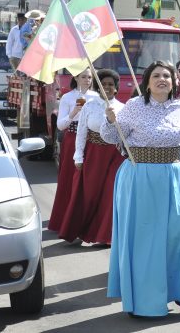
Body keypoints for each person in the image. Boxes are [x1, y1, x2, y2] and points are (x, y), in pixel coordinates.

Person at [100, 60, 180, 317]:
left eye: (167, 76)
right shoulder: (134, 106)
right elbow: (111, 137)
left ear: (174, 82)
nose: (162, 79)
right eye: (156, 75)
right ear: (147, 82)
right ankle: (145, 302)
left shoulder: (179, 108)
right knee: (146, 241)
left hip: (175, 179)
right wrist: (110, 121)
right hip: (140, 180)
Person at [57, 69, 124, 245]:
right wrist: (78, 156)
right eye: (103, 84)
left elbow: (127, 135)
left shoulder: (123, 108)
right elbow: (81, 132)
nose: (107, 87)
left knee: (110, 194)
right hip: (93, 154)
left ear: (116, 88)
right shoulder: (89, 106)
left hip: (116, 156)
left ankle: (104, 236)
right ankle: (80, 230)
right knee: (89, 194)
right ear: (98, 87)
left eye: (111, 84)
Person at [48, 69, 98, 234]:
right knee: (69, 177)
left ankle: (85, 218)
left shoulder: (96, 97)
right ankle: (64, 218)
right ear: (75, 78)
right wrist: (74, 112)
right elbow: (60, 125)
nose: (87, 80)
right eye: (83, 77)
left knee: (89, 179)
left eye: (89, 77)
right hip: (72, 138)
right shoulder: (67, 97)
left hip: (92, 139)